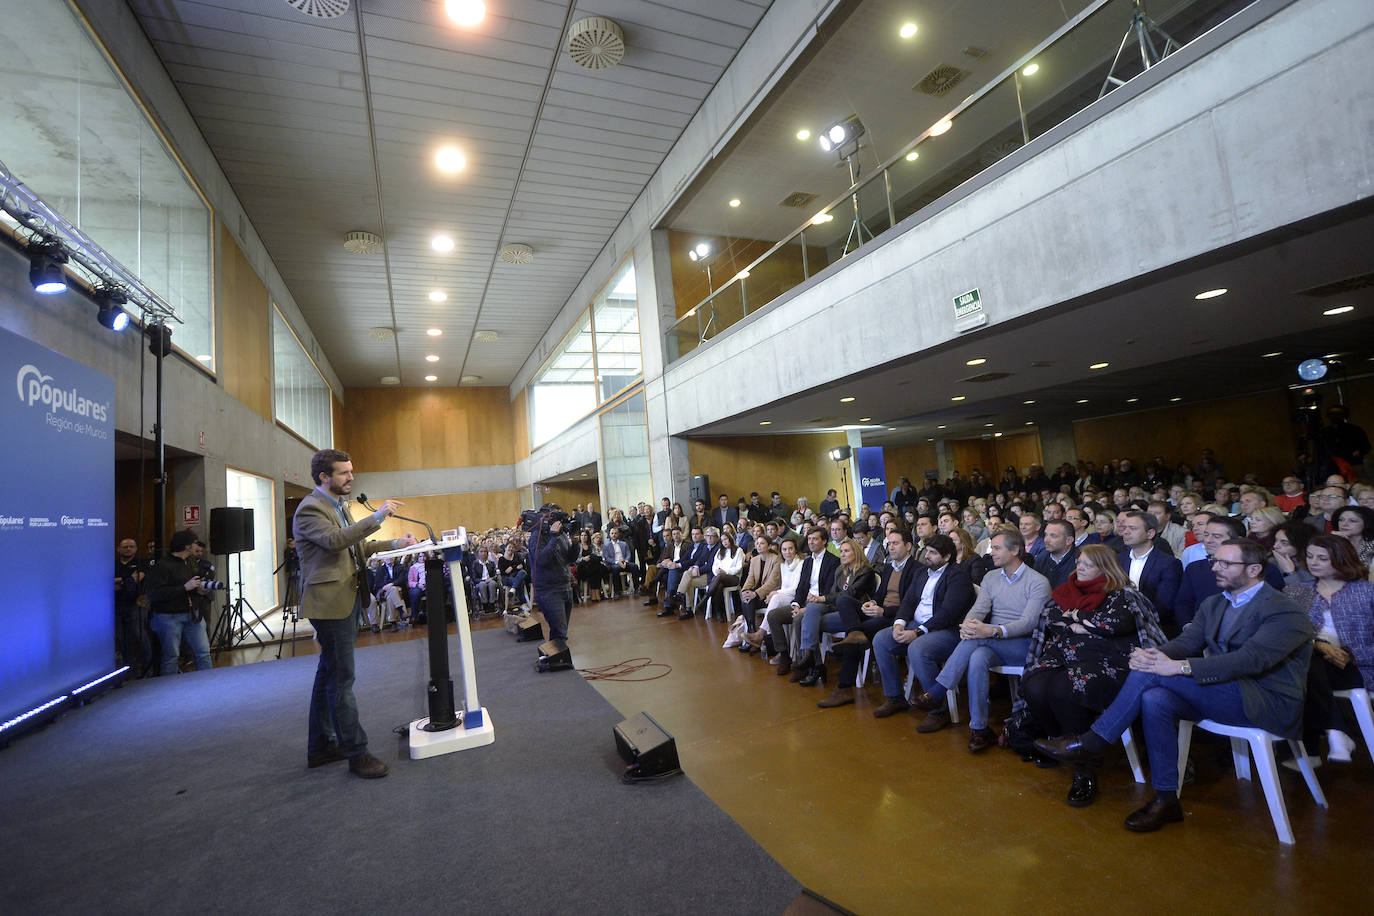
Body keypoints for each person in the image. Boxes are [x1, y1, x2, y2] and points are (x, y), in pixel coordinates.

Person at [1035, 539, 1313, 833]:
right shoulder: (1216, 602)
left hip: (1267, 700)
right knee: (1156, 697)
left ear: (1255, 569)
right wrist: (1156, 654)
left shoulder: (1285, 610)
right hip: (1227, 690)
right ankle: (1166, 799)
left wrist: (1176, 667)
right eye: (1213, 561)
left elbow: (1250, 661)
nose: (1214, 568)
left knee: (1154, 677)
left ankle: (1094, 742)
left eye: (1224, 563)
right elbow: (1188, 643)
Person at [294, 448, 415, 779]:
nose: (351, 477)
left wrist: (395, 545)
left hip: (343, 598)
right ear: (324, 476)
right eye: (344, 472)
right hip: (330, 603)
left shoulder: (340, 506)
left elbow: (356, 548)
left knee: (328, 675)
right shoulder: (310, 509)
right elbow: (335, 542)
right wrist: (378, 517)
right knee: (341, 681)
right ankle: (356, 753)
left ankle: (320, 747)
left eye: (351, 471)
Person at [1018, 546, 1166, 807]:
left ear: (1104, 567)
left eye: (1087, 564)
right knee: (1034, 685)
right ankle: (1060, 743)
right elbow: (1054, 619)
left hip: (1110, 660)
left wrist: (1077, 619)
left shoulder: (1123, 594)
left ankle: (1083, 767)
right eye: (1079, 563)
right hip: (1065, 654)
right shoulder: (1066, 591)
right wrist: (1086, 623)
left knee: (1064, 689)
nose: (1080, 568)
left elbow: (1116, 623)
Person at [911, 530, 1050, 751]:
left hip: (1024, 645)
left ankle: (938, 691)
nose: (990, 552)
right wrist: (968, 626)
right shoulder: (991, 577)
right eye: (991, 547)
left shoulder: (1037, 582)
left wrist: (991, 631)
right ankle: (979, 729)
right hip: (990, 641)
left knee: (976, 643)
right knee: (976, 657)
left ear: (1015, 550)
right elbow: (978, 609)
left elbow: (1029, 623)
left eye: (996, 548)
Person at [1282, 535, 1372, 767]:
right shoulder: (1298, 591)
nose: (1313, 562)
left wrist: (1347, 653)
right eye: (1310, 556)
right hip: (1315, 663)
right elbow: (1285, 632)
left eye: (1322, 558)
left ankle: (1314, 749)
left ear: (1341, 559)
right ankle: (1335, 731)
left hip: (1359, 665)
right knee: (1306, 659)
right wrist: (1320, 645)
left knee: (1301, 669)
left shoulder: (1364, 591)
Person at [868, 533, 976, 718]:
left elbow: (947, 614)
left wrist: (918, 632)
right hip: (916, 624)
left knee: (918, 648)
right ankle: (895, 697)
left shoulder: (958, 576)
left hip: (946, 631)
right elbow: (908, 603)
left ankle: (937, 709)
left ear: (947, 557)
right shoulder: (921, 573)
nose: (926, 556)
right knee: (881, 639)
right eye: (927, 551)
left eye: (933, 553)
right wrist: (899, 625)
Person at [793, 537, 877, 687]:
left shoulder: (866, 571)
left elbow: (850, 593)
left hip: (853, 613)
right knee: (806, 613)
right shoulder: (840, 570)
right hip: (834, 607)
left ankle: (814, 664)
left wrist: (821, 598)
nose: (842, 554)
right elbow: (833, 594)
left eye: (846, 551)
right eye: (841, 551)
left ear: (856, 552)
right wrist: (819, 601)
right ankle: (813, 660)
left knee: (807, 621)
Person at [764, 527, 838, 676]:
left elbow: (831, 590)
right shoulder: (808, 561)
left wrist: (807, 607)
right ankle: (785, 656)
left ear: (824, 541)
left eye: (815, 539)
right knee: (773, 615)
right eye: (809, 539)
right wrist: (796, 604)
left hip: (822, 603)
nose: (811, 542)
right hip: (805, 602)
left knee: (798, 619)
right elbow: (802, 587)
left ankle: (804, 662)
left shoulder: (833, 561)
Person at [144, 529, 214, 677]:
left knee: (203, 652)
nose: (197, 546)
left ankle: (209, 684)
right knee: (171, 657)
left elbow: (192, 584)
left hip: (192, 613)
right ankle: (170, 691)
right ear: (187, 546)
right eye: (195, 543)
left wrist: (199, 590)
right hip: (169, 617)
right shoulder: (162, 566)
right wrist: (184, 588)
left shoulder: (190, 561)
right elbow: (154, 594)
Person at [532, 511, 574, 650]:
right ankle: (556, 661)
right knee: (559, 632)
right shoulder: (536, 537)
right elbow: (541, 559)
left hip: (565, 586)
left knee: (561, 632)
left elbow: (570, 558)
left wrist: (576, 542)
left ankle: (556, 659)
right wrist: (553, 538)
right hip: (548, 590)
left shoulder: (560, 534)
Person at [114, 536, 148, 676]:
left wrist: (119, 581)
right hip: (117, 605)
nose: (128, 549)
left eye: (131, 546)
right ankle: (129, 670)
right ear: (118, 549)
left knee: (140, 636)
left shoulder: (141, 563)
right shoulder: (112, 564)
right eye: (125, 546)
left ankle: (147, 669)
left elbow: (136, 579)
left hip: (136, 605)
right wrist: (127, 581)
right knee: (121, 638)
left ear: (136, 549)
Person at [735, 533, 781, 636]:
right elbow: (750, 578)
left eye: (762, 543)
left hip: (769, 595)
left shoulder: (776, 559)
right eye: (757, 543)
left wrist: (755, 593)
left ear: (769, 546)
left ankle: (751, 632)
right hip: (756, 594)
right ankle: (752, 630)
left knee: (749, 599)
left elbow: (773, 582)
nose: (758, 545)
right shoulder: (754, 559)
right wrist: (744, 590)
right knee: (747, 598)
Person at [703, 531, 745, 620]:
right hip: (720, 578)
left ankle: (706, 597)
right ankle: (719, 614)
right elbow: (714, 566)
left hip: (734, 578)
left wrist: (725, 572)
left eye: (726, 539)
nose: (724, 542)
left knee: (719, 577)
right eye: (722, 540)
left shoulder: (738, 550)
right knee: (719, 586)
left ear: (730, 539)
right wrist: (717, 571)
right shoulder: (720, 551)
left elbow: (739, 567)